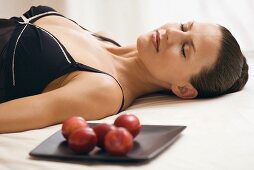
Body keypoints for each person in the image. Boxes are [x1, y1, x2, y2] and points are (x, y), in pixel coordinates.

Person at [0, 5, 249, 133]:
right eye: (184, 26)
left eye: (185, 49)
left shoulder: (104, 90)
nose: (172, 33)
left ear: (183, 89)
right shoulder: (107, 40)